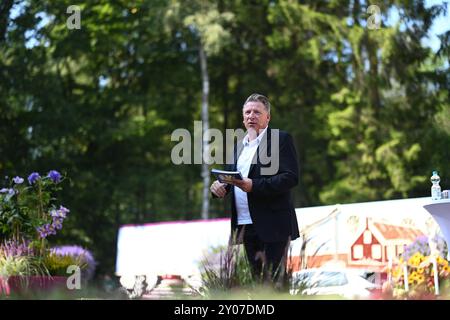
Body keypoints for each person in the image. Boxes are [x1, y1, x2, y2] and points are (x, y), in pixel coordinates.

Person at [210, 93, 299, 284]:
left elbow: (290, 177)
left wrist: (254, 186)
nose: (251, 116)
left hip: (273, 225)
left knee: (276, 285)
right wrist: (219, 187)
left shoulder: (280, 140)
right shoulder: (238, 147)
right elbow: (232, 180)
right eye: (248, 112)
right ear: (243, 118)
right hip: (245, 226)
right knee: (257, 286)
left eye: (257, 112)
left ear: (268, 117)